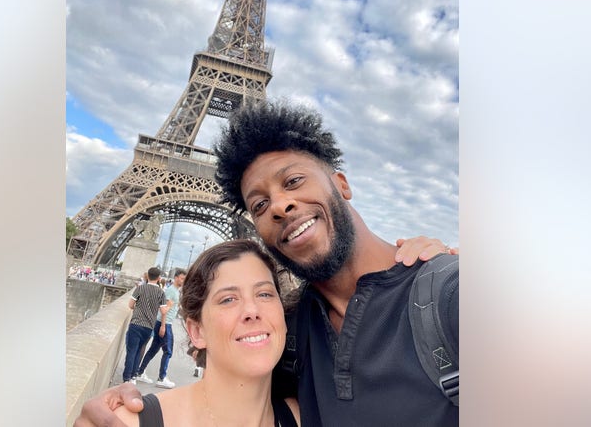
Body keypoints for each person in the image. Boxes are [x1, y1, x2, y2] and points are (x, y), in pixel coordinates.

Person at [74, 100, 458, 426]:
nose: (279, 205)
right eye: (259, 204)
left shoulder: (453, 297)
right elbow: (229, 394)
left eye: (292, 181)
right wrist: (136, 411)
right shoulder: (289, 329)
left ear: (341, 183)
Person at [100, 239, 301, 427]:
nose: (252, 311)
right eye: (228, 299)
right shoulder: (127, 422)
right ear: (197, 331)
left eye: (264, 294)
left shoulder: (305, 417)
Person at [133, 268, 186, 388]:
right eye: (182, 278)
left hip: (161, 323)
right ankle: (162, 377)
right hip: (165, 323)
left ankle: (140, 372)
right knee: (168, 351)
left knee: (153, 349)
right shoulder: (171, 291)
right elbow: (163, 310)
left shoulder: (175, 291)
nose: (183, 281)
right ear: (176, 277)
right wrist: (163, 326)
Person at [121, 267, 168, 384]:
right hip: (149, 327)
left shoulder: (140, 288)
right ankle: (133, 377)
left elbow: (130, 305)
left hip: (136, 323)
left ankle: (127, 378)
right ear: (159, 278)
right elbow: (163, 312)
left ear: (148, 276)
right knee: (139, 352)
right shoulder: (161, 293)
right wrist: (170, 306)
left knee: (131, 351)